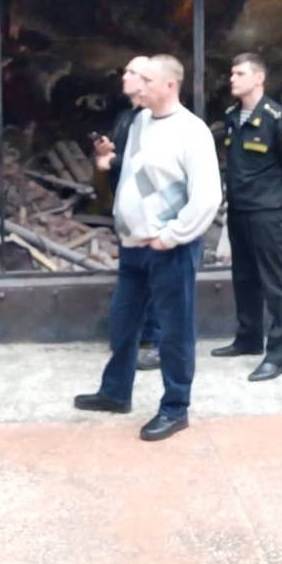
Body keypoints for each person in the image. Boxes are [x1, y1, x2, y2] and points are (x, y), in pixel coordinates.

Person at [74, 55, 222, 442]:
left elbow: (207, 197)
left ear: (170, 85)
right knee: (123, 322)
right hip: (134, 246)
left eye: (147, 80)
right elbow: (136, 175)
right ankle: (115, 392)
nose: (138, 86)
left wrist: (172, 235)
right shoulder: (139, 121)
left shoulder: (192, 132)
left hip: (170, 249)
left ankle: (175, 407)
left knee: (174, 330)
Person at [213, 52, 282, 382]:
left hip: (267, 210)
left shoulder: (279, 120)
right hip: (239, 207)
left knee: (274, 281)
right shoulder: (232, 117)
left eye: (239, 73)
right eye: (232, 73)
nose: (232, 79)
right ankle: (248, 338)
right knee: (244, 276)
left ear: (258, 78)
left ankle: (278, 355)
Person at [94, 56, 161, 372]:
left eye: (132, 72)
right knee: (136, 278)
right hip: (128, 210)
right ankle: (137, 337)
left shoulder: (155, 118)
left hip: (149, 210)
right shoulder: (126, 116)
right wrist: (107, 153)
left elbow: (151, 165)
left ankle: (155, 343)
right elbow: (126, 157)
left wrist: (113, 162)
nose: (125, 76)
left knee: (155, 278)